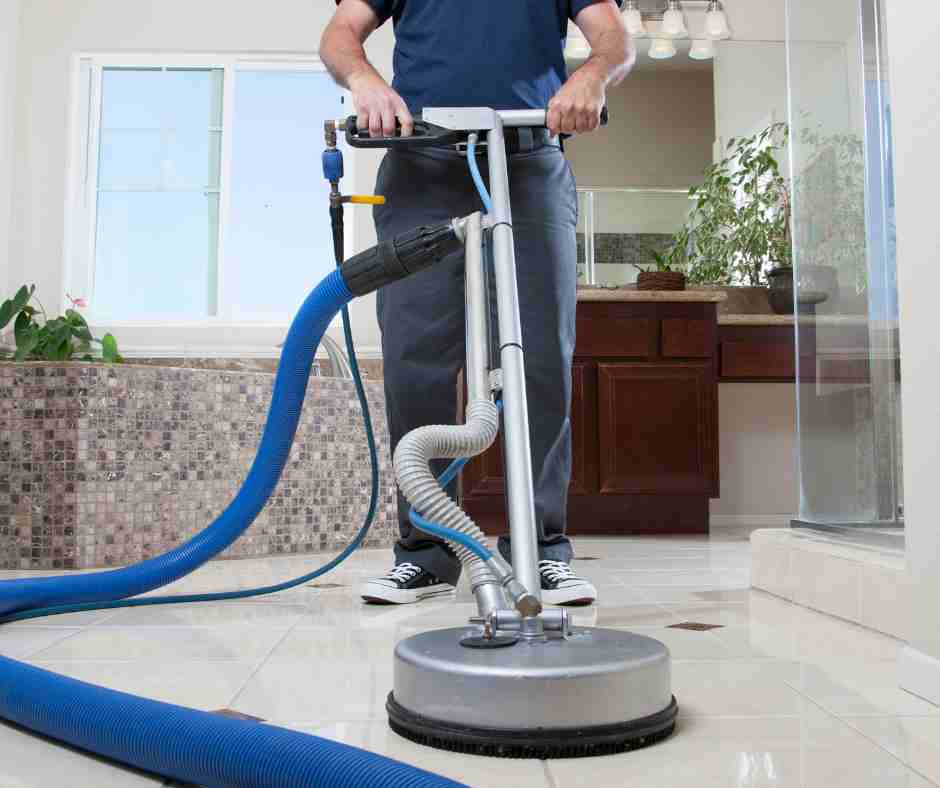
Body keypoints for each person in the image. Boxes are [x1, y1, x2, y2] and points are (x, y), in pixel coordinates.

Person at [321, 0, 634, 605]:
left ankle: (540, 552)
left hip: (528, 157)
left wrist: (590, 77)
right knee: (415, 364)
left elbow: (613, 39)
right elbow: (340, 33)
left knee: (539, 360)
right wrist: (365, 80)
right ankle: (427, 552)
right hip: (421, 161)